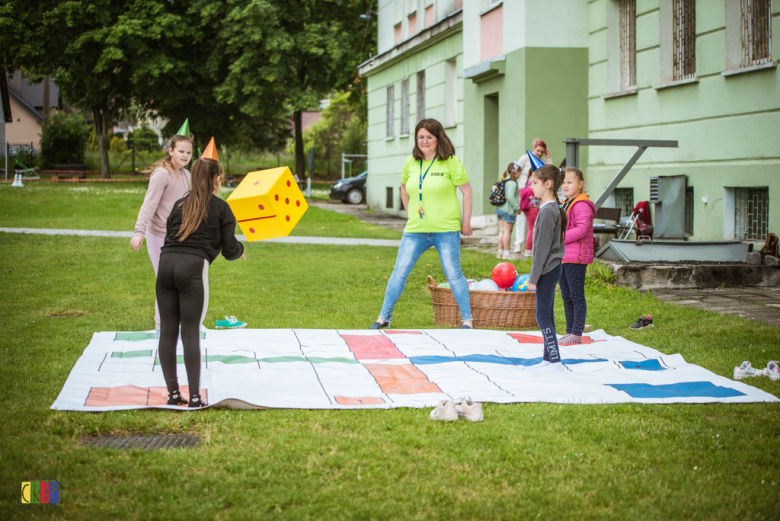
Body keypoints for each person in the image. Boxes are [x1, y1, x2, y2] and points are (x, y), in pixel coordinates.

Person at [157, 153, 246, 408]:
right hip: (191, 268)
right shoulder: (221, 208)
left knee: (168, 332)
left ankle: (174, 395)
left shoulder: (179, 204)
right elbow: (230, 250)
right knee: (190, 334)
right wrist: (240, 250)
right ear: (216, 179)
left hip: (166, 265)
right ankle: (195, 398)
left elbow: (169, 234)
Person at [371, 119, 474, 330]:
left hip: (446, 229)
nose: (424, 141)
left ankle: (468, 320)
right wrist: (411, 215)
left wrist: (466, 223)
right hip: (415, 231)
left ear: (438, 138)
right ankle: (383, 318)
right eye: (420, 137)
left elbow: (467, 192)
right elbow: (403, 188)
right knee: (399, 273)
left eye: (429, 137)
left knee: (453, 274)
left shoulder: (451, 162)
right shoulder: (410, 162)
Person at [130, 135, 193, 333]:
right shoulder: (162, 174)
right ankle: (162, 327)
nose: (185, 155)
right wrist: (139, 232)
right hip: (159, 236)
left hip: (178, 238)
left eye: (189, 152)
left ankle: (178, 324)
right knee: (166, 283)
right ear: (171, 151)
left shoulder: (187, 175)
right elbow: (149, 204)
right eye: (181, 151)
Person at [526, 164, 567, 372]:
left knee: (542, 316)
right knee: (547, 314)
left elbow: (541, 251)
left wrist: (533, 278)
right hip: (550, 269)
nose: (531, 186)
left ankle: (556, 361)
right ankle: (547, 359)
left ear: (548, 184)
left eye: (534, 183)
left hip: (547, 270)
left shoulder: (548, 212)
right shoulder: (548, 209)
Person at [558, 167, 595, 345]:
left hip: (576, 258)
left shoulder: (581, 204)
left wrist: (560, 237)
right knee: (566, 296)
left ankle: (576, 333)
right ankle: (569, 331)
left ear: (580, 184)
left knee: (576, 296)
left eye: (570, 182)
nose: (565, 185)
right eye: (563, 182)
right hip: (565, 256)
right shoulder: (565, 202)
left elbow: (582, 229)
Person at [514, 139, 552, 255]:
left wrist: (548, 158)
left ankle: (529, 246)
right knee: (521, 219)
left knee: (532, 222)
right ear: (533, 149)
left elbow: (551, 172)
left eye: (542, 152)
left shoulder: (543, 162)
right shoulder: (525, 158)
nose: (539, 153)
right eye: (538, 151)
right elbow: (515, 171)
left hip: (535, 194)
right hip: (523, 192)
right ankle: (518, 244)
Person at [495, 162, 521, 259]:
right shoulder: (513, 184)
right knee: (507, 232)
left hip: (500, 209)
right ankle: (506, 253)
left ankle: (500, 252)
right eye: (519, 173)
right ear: (515, 172)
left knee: (501, 231)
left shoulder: (504, 181)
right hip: (508, 210)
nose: (520, 175)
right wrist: (517, 208)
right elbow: (510, 197)